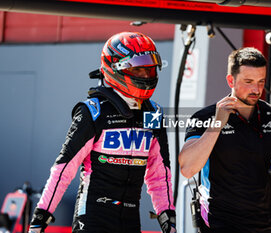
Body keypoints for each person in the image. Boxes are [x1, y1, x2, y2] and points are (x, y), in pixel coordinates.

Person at [28, 32, 176, 233]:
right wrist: (41, 217)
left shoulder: (153, 113)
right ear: (115, 69)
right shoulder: (93, 111)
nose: (145, 76)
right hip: (93, 219)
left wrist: (167, 216)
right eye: (138, 69)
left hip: (130, 220)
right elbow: (64, 169)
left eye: (150, 69)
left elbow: (160, 174)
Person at [179, 47, 271, 233]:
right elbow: (187, 169)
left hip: (264, 225)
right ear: (231, 80)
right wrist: (217, 125)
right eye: (248, 81)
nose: (256, 89)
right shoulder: (204, 117)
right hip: (218, 224)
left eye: (261, 82)